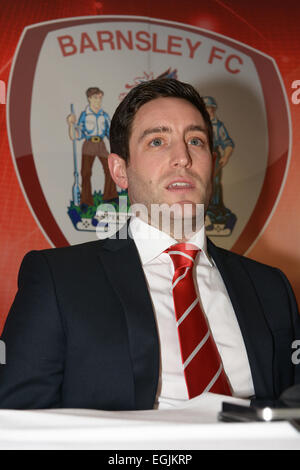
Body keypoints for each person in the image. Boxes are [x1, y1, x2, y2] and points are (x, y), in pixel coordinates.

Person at [0, 78, 299, 410]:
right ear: (119, 170)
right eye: (158, 141)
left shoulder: (271, 288)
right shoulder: (58, 280)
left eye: (196, 141)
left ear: (213, 162)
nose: (183, 157)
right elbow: (16, 421)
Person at [67, 87, 118, 207]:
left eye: (100, 97)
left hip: (101, 144)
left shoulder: (104, 116)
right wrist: (71, 124)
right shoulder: (85, 115)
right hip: (89, 144)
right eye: (96, 97)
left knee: (110, 169)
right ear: (89, 98)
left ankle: (110, 196)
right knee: (85, 173)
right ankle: (86, 201)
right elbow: (75, 136)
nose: (98, 100)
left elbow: (110, 134)